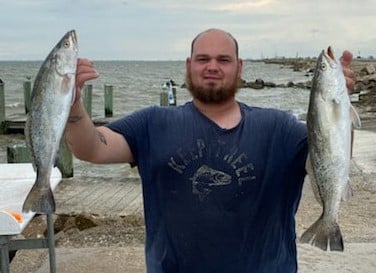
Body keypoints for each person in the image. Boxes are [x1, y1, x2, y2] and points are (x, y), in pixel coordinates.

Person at [65, 29, 356, 273]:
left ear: (239, 67)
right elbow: (91, 149)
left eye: (223, 60)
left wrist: (338, 108)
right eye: (203, 58)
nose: (212, 66)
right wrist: (73, 104)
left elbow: (329, 153)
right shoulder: (153, 123)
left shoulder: (279, 128)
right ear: (189, 65)